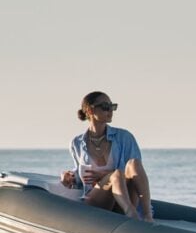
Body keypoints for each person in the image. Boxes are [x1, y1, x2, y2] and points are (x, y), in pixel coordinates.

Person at [60, 91, 153, 221]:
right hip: (97, 200)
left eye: (112, 106)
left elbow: (133, 175)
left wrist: (105, 174)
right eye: (105, 106)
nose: (110, 110)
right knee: (116, 175)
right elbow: (80, 175)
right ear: (90, 110)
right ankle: (132, 215)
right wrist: (68, 176)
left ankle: (148, 215)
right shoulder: (77, 143)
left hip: (124, 197)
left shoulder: (124, 137)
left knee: (134, 164)